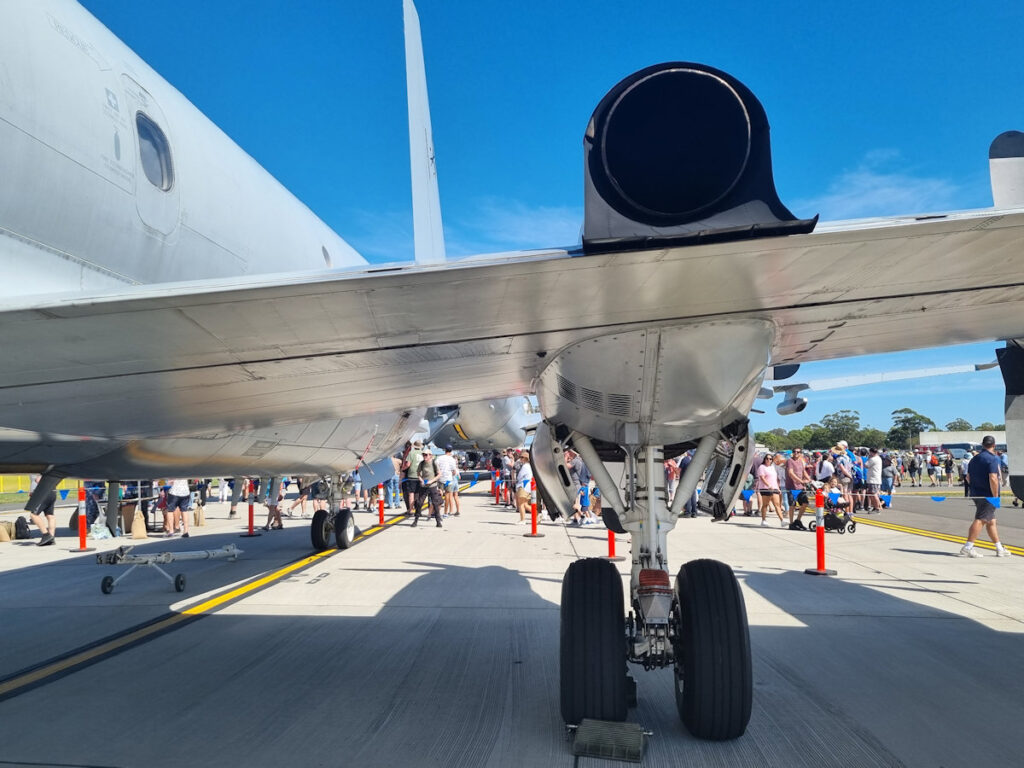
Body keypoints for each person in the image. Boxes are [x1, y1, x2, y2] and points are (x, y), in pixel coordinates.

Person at [960, 436, 1012, 557]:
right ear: (994, 445)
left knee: (991, 521)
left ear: (983, 445)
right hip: (988, 495)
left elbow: (968, 477)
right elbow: (993, 478)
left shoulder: (974, 459)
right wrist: (995, 496)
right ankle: (968, 547)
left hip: (976, 493)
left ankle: (999, 548)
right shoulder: (993, 459)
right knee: (982, 519)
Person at [413, 449, 443, 527]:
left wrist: (431, 481)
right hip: (424, 486)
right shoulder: (422, 463)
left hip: (432, 486)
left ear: (430, 455)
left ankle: (438, 521)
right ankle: (415, 520)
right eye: (424, 455)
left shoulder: (434, 463)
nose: (425, 456)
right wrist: (421, 480)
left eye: (426, 455)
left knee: (435, 503)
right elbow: (418, 473)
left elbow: (439, 474)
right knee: (419, 503)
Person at [756, 453, 785, 528]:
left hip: (774, 487)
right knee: (765, 504)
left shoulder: (772, 467)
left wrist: (778, 488)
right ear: (764, 459)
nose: (768, 460)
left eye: (770, 459)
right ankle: (763, 520)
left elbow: (775, 479)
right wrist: (768, 485)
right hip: (765, 488)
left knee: (777, 504)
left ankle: (782, 520)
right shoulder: (762, 467)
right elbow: (762, 478)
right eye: (767, 459)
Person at [437, 445, 461, 517]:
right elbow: (454, 471)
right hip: (448, 479)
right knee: (447, 495)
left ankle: (437, 511)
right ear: (451, 451)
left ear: (445, 450)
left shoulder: (439, 458)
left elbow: (436, 466)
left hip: (441, 478)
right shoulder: (452, 459)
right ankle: (445, 513)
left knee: (439, 495)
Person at [515, 450, 534, 524]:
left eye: (522, 457)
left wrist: (517, 480)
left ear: (526, 459)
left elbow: (520, 476)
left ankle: (523, 519)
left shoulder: (525, 466)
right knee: (525, 504)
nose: (520, 458)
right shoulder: (529, 466)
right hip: (528, 487)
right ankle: (536, 514)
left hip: (523, 486)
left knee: (521, 504)